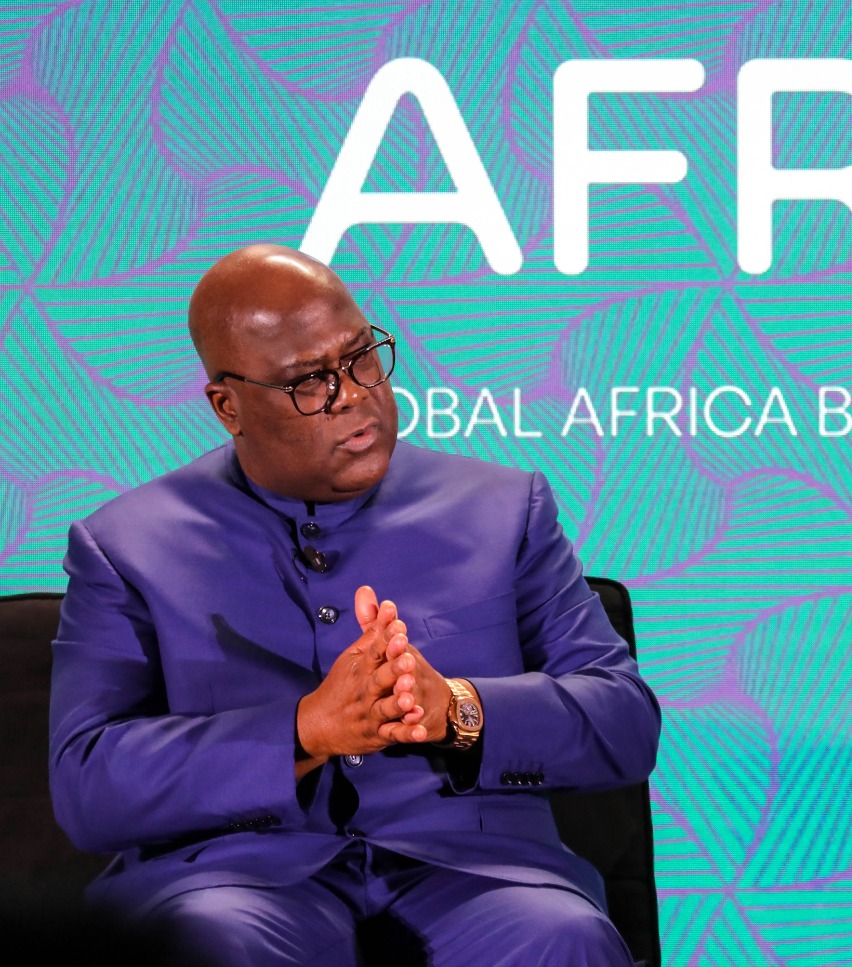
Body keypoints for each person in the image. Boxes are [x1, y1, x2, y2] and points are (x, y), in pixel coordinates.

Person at [48, 245, 660, 966]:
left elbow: (624, 720)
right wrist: (304, 730)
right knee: (214, 943)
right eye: (308, 380)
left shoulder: (504, 509)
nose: (352, 395)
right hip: (237, 879)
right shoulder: (127, 545)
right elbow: (87, 783)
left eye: (361, 356)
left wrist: (456, 708)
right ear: (228, 406)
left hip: (476, 872)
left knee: (561, 937)